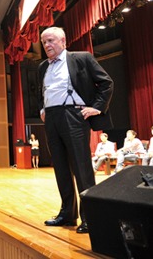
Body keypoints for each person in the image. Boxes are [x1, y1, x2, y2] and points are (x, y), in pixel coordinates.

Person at [38, 27, 113, 234]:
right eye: (44, 42)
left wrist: (97, 107)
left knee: (81, 168)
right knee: (61, 168)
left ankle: (90, 217)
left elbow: (106, 83)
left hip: (74, 116)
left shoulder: (81, 58)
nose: (47, 45)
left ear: (63, 40)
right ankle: (67, 214)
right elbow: (42, 91)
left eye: (51, 40)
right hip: (52, 118)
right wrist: (43, 109)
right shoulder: (42, 66)